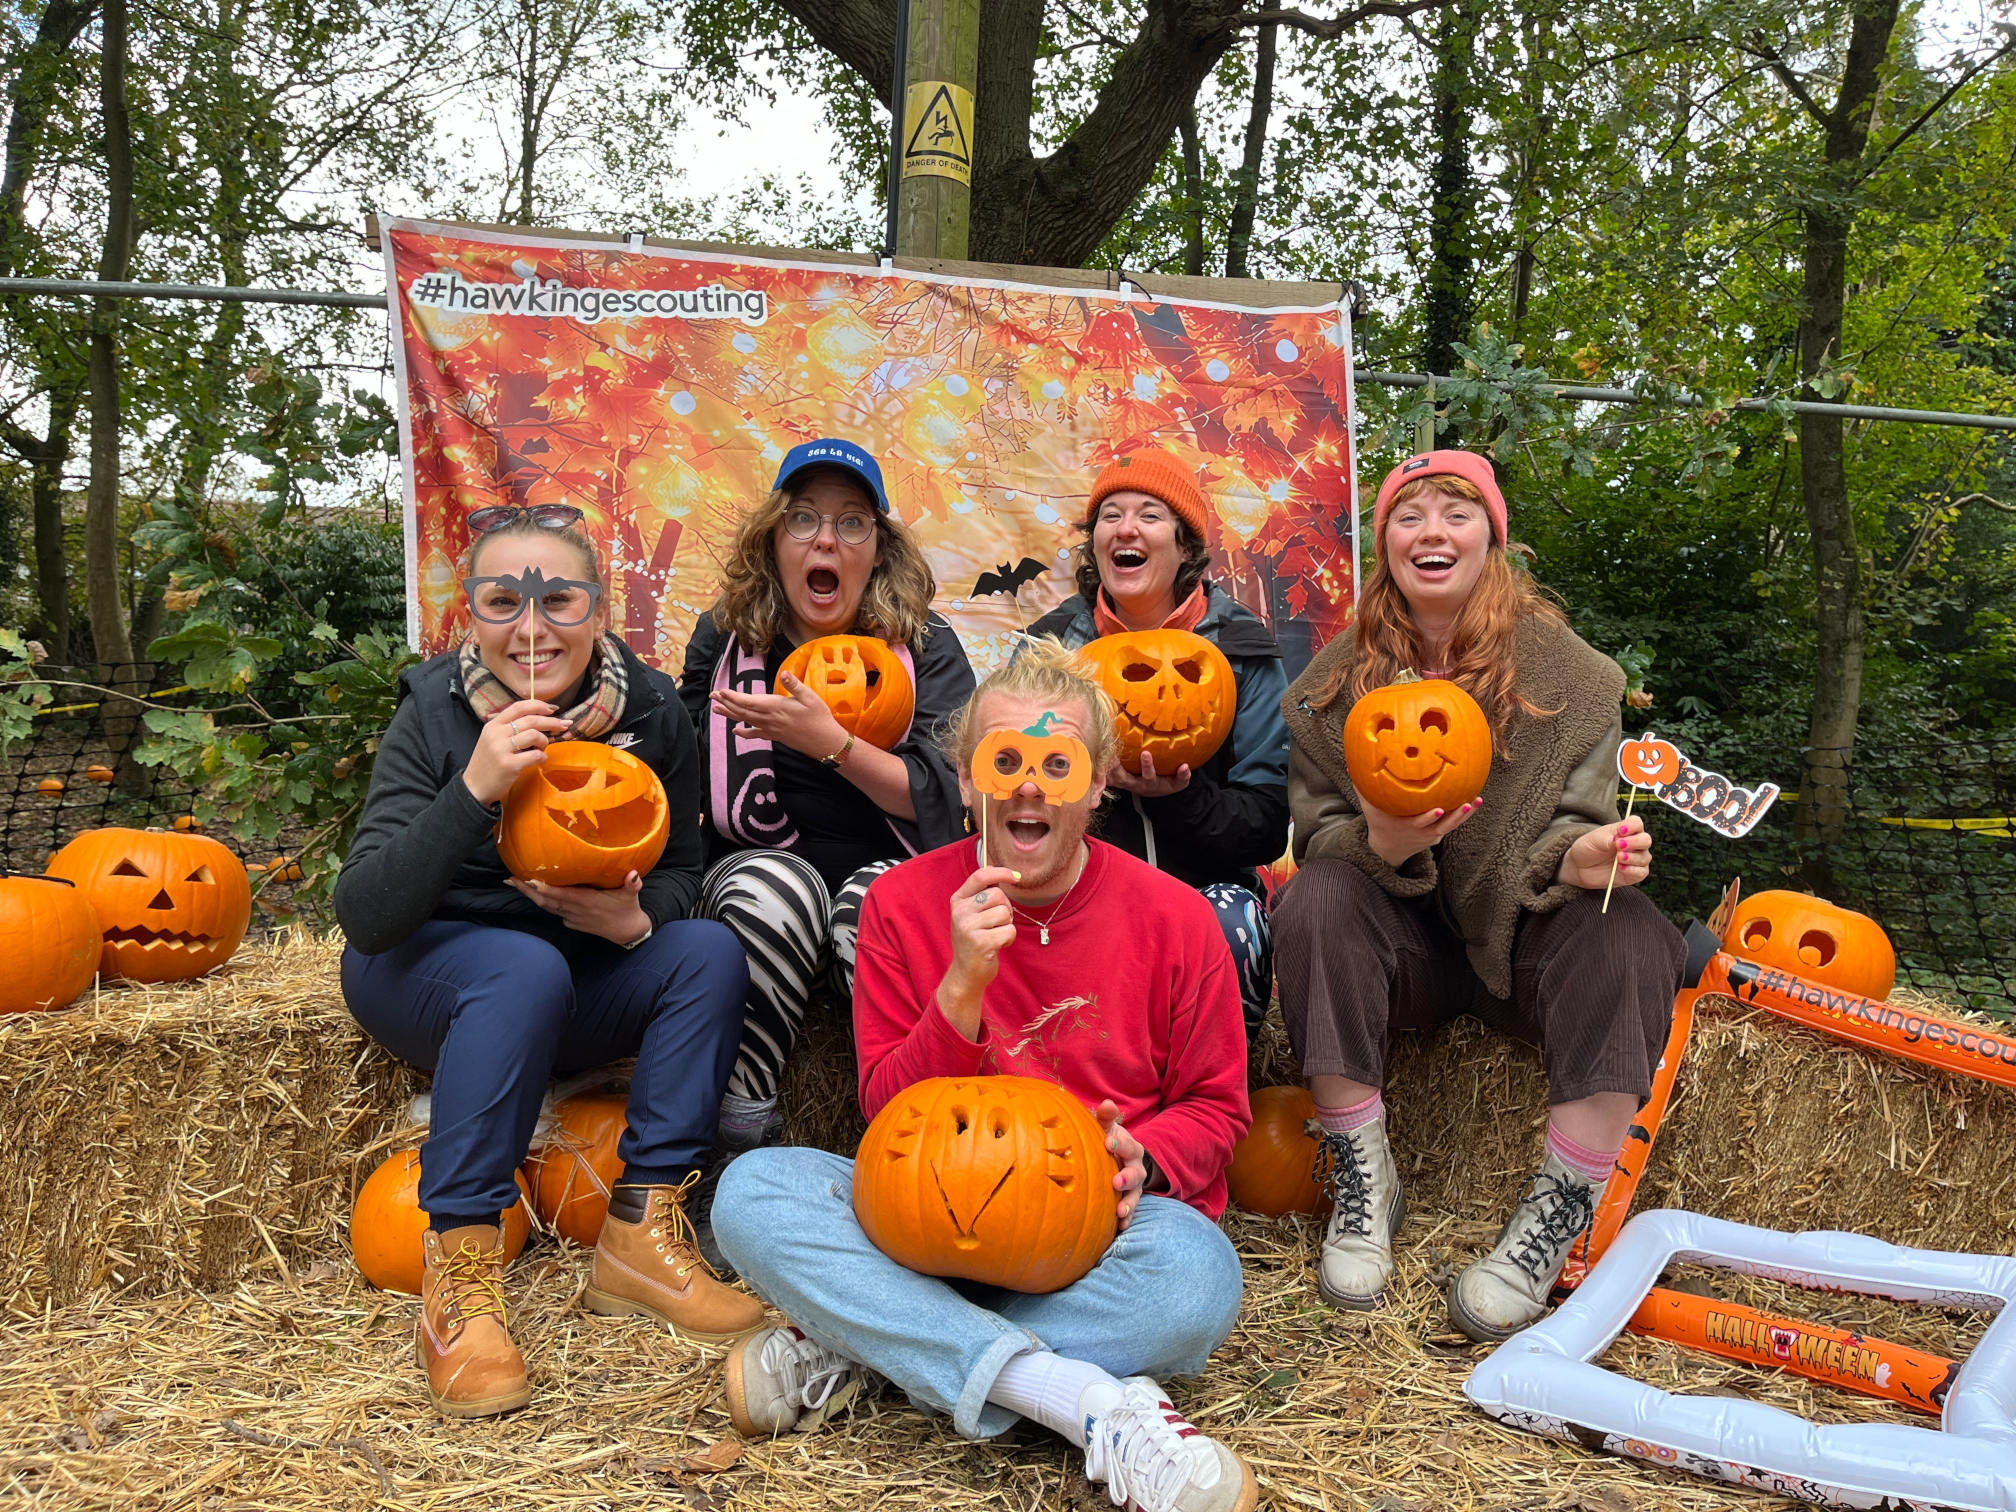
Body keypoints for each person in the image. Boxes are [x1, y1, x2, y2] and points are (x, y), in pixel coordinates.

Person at [708, 640, 1258, 1512]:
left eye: (1057, 763)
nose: (1029, 786)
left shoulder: (1178, 920)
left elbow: (1217, 1108)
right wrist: (961, 983)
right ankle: (1079, 1400)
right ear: (966, 782)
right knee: (753, 1192)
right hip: (926, 1226)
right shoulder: (900, 906)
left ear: (1097, 785)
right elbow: (888, 1109)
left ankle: (869, 1351)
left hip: (1097, 1239)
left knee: (1198, 1277)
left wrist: (1140, 1161)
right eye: (1005, 762)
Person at [334, 503, 764, 1419]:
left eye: (559, 600)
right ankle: (458, 1273)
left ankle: (641, 1233)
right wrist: (476, 789)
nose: (532, 630)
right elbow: (367, 914)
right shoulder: (435, 716)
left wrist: (633, 923)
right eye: (502, 602)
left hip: (577, 973)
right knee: (520, 970)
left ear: (600, 612)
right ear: (472, 617)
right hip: (427, 969)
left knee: (706, 952)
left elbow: (686, 873)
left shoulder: (649, 712)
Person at [1272, 450, 1683, 1342]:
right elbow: (1317, 833)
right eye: (1407, 514)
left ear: (1492, 537)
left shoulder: (1574, 681)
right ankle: (1362, 1171)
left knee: (1634, 932)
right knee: (1315, 900)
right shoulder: (1326, 692)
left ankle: (1561, 1206)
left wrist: (1578, 859)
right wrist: (1378, 841)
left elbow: (1576, 818)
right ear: (1382, 543)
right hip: (1403, 952)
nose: (1431, 531)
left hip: (1523, 944)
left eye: (1455, 512)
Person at [680, 438, 975, 1152]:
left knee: (875, 899)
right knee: (777, 887)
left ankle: (911, 1138)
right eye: (804, 519)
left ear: (878, 547)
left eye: (851, 523)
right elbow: (679, 763)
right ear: (774, 539)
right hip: (760, 878)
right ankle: (741, 1132)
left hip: (883, 872)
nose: (827, 540)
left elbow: (951, 796)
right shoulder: (724, 642)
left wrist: (833, 746)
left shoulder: (925, 646)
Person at [1026, 448, 1289, 1032]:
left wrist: (1178, 799)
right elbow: (1006, 793)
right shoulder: (1047, 650)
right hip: (1073, 890)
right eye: (1110, 515)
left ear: (1185, 543)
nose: (1126, 528)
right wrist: (1084, 781)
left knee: (1232, 922)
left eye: (1149, 514)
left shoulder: (1242, 649)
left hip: (1203, 889)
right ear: (1095, 542)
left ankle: (1213, 1105)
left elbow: (1267, 822)